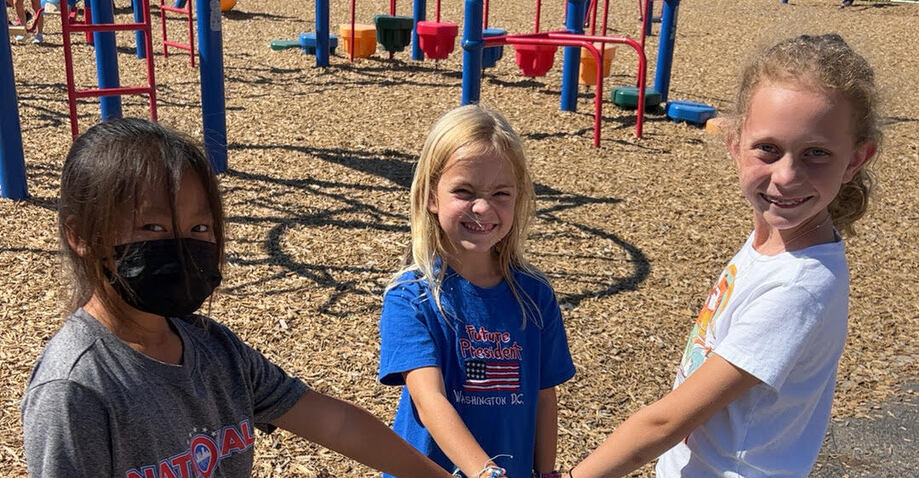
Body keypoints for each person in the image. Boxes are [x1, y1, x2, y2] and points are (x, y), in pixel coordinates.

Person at [20, 118, 455, 478]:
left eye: (199, 229)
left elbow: (337, 424)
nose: (182, 246)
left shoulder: (215, 350)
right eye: (153, 228)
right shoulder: (75, 388)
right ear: (81, 236)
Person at [563, 33, 881, 478]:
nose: (787, 176)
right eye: (768, 148)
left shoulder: (799, 288)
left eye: (817, 154)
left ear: (855, 160)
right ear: (734, 142)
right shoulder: (773, 244)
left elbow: (665, 422)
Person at [377, 104, 576, 478]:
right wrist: (485, 472)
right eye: (464, 191)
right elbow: (428, 398)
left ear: (518, 199)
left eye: (501, 193)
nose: (483, 207)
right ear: (431, 197)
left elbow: (544, 397)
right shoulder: (411, 297)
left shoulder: (535, 297)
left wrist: (546, 472)